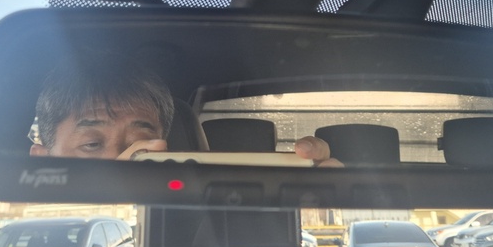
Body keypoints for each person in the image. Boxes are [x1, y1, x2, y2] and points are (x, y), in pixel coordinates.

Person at [29, 59, 337, 164]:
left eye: (140, 148)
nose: (120, 163)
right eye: (92, 144)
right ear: (41, 160)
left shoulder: (213, 211)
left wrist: (324, 192)